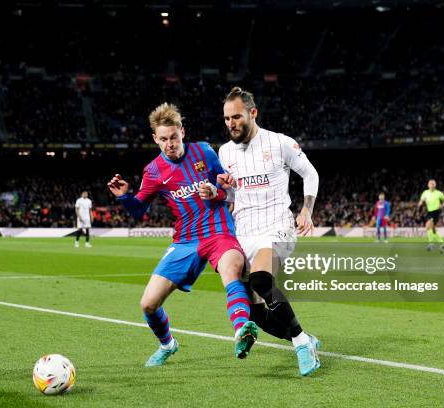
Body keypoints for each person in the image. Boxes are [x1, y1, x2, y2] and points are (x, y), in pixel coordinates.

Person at [107, 103, 258, 367]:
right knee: (148, 304)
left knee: (231, 270)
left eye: (173, 137)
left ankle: (241, 330)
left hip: (218, 231)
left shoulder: (205, 152)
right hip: (185, 241)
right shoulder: (153, 172)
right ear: (155, 139)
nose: (170, 144)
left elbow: (230, 192)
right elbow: (138, 210)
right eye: (163, 139)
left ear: (182, 132)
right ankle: (168, 344)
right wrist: (125, 197)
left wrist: (217, 192)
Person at [209, 87, 321, 376]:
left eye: (236, 117)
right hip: (243, 233)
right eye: (226, 119)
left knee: (261, 278)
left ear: (253, 113)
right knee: (256, 313)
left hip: (277, 228)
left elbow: (310, 173)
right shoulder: (224, 152)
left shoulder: (280, 143)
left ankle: (300, 345)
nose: (231, 123)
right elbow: (233, 196)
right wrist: (219, 198)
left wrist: (306, 209)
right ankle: (305, 338)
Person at [417, 179, 444, 253]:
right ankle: (442, 243)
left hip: (436, 212)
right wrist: (420, 203)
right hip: (429, 212)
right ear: (428, 185)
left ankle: (431, 244)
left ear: (435, 185)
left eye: (433, 184)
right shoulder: (425, 192)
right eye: (430, 183)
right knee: (432, 229)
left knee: (428, 226)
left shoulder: (439, 193)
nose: (432, 185)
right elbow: (421, 200)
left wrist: (442, 206)